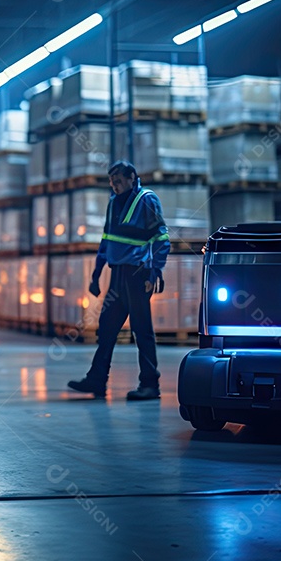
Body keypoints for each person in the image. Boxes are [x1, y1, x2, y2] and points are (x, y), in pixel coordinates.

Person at [68, 160, 169, 400]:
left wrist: (155, 271)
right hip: (117, 276)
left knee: (141, 330)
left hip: (138, 275)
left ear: (132, 177)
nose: (114, 186)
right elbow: (106, 241)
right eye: (112, 182)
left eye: (119, 181)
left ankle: (150, 385)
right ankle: (97, 380)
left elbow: (161, 237)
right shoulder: (113, 203)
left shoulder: (147, 199)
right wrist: (96, 274)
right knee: (107, 327)